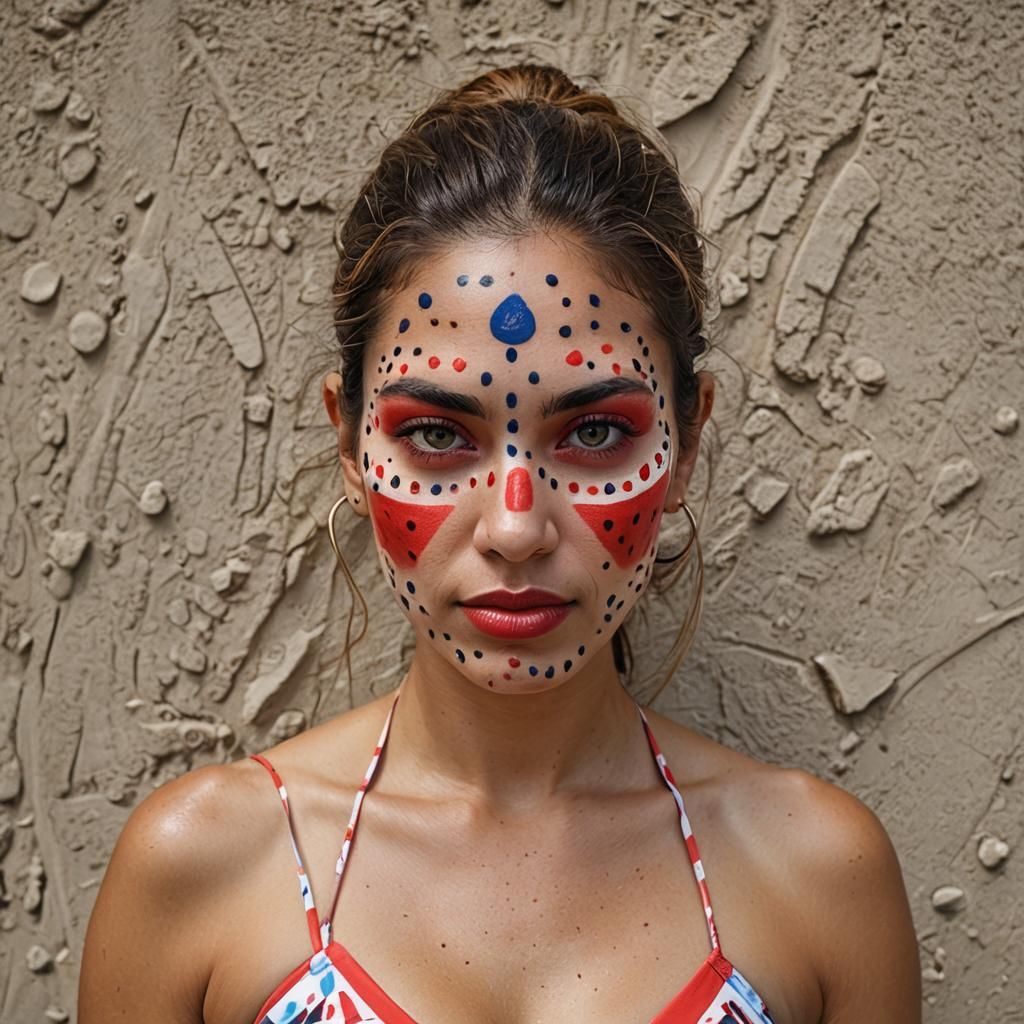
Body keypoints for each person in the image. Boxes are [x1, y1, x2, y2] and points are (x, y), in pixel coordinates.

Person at [78, 64, 922, 1024]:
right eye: (437, 436)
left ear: (685, 441)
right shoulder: (202, 867)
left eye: (595, 432)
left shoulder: (819, 876)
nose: (516, 526)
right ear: (350, 442)